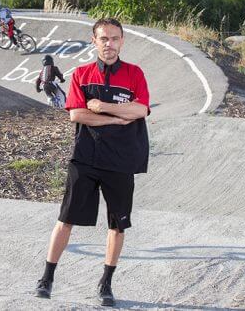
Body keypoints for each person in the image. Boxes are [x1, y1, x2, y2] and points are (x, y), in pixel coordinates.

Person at [35, 18, 150, 307]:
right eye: (103, 38)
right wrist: (118, 117)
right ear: (94, 41)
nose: (109, 43)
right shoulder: (82, 74)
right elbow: (76, 114)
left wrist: (103, 106)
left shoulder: (135, 74)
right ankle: (47, 277)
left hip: (121, 161)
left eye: (114, 38)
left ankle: (106, 283)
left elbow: (141, 109)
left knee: (117, 225)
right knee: (66, 219)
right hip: (86, 157)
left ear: (122, 41)